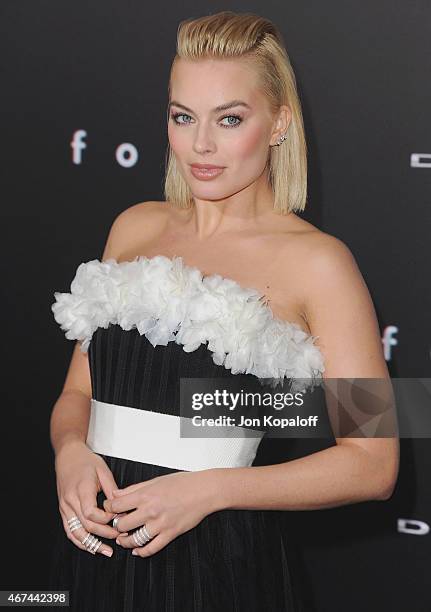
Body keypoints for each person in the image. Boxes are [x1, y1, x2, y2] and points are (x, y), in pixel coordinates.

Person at [48, 10, 399, 612]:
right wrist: (69, 453)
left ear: (279, 124)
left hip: (217, 562)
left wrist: (208, 492)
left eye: (229, 119)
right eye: (182, 117)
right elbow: (77, 395)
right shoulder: (133, 227)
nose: (200, 144)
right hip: (95, 549)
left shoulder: (318, 264)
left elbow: (373, 462)